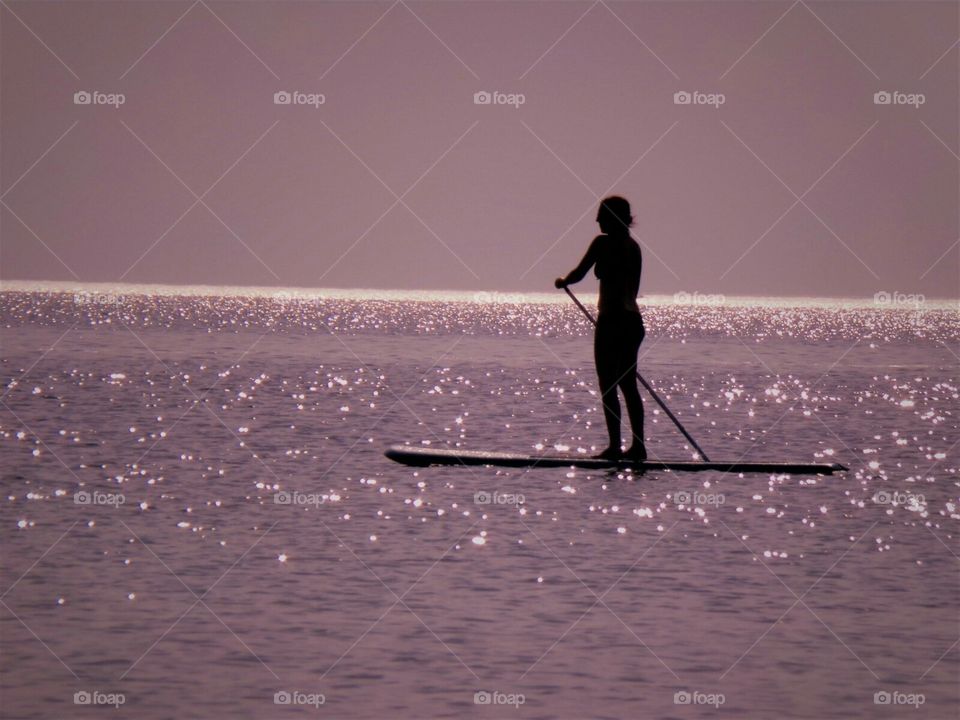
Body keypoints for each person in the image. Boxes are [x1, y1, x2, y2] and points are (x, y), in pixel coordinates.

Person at [555, 196, 646, 461]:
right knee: (627, 384)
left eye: (602, 216)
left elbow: (579, 273)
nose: (597, 221)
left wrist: (562, 281)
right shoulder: (634, 247)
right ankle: (638, 447)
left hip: (613, 321)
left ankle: (615, 447)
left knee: (608, 384)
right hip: (633, 321)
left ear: (613, 218)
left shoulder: (602, 243)